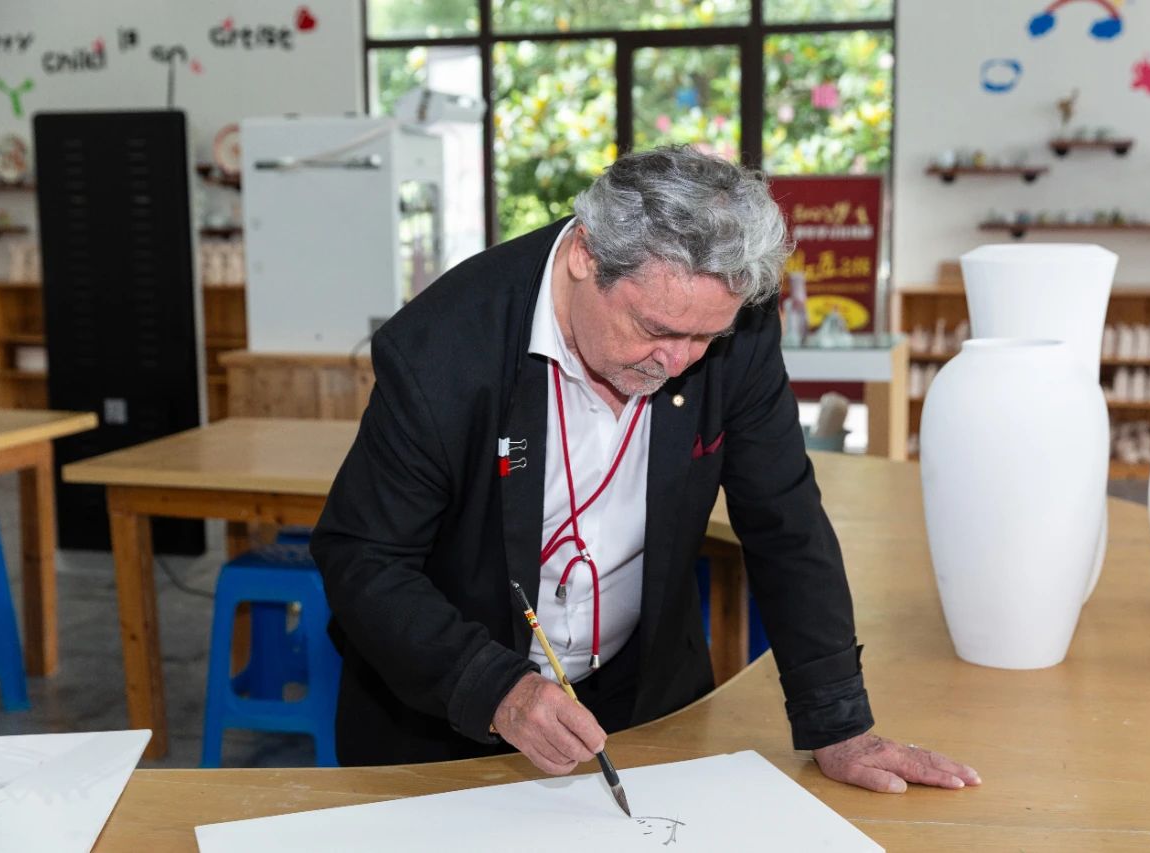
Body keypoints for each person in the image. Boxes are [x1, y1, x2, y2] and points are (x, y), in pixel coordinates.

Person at [310, 145, 980, 794]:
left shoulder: (738, 327)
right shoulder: (445, 347)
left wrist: (839, 723)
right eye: (656, 329)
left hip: (646, 705)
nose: (678, 361)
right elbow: (362, 555)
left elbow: (785, 519)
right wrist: (494, 688)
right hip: (447, 716)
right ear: (585, 255)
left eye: (704, 337)